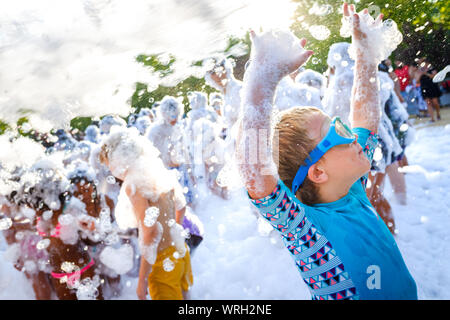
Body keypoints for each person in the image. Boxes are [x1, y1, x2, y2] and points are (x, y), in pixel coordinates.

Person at [236, 3, 417, 300]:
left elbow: (366, 120)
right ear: (318, 171)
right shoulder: (308, 231)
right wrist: (263, 78)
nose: (350, 131)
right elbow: (256, 174)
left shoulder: (352, 188)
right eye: (337, 132)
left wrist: (365, 52)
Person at [99, 128, 193, 300]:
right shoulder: (157, 169)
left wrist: (142, 281)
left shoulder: (133, 185)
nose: (111, 170)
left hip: (162, 262)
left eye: (109, 164)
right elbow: (181, 207)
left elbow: (150, 233)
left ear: (119, 158)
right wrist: (174, 233)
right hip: (180, 251)